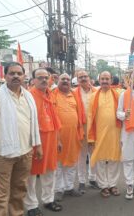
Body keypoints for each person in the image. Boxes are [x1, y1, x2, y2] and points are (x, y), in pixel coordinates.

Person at [0, 62, 43, 216]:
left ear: (24, 76)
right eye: (12, 73)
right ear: (5, 76)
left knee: (19, 192)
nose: (15, 76)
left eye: (19, 73)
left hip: (25, 152)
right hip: (2, 154)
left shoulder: (28, 96)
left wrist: (38, 146)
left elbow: (33, 123)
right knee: (1, 195)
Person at [25, 68, 63, 215]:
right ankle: (31, 205)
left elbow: (55, 119)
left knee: (50, 171)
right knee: (31, 175)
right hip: (34, 141)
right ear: (33, 80)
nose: (43, 80)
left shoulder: (51, 94)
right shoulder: (28, 96)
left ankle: (48, 199)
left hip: (51, 139)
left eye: (46, 77)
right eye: (39, 77)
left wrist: (58, 140)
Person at [88, 71, 122, 198]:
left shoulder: (118, 94)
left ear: (111, 80)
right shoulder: (94, 96)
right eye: (102, 79)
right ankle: (103, 186)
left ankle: (112, 184)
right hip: (99, 133)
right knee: (100, 160)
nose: (104, 81)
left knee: (114, 159)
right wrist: (90, 136)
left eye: (107, 79)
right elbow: (90, 116)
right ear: (99, 80)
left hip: (115, 133)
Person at [52, 73, 84, 201]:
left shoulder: (74, 95)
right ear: (57, 81)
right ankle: (59, 190)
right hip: (57, 137)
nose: (65, 81)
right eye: (62, 79)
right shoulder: (52, 94)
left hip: (72, 136)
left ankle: (69, 187)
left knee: (71, 163)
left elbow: (80, 114)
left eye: (67, 79)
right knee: (58, 165)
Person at [116, 72, 134, 200]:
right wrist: (124, 115)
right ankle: (129, 184)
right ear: (130, 80)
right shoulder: (124, 94)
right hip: (128, 131)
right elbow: (118, 113)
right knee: (128, 158)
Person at [74, 71, 99, 193]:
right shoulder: (74, 93)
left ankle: (93, 179)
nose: (83, 78)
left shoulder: (96, 92)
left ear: (89, 78)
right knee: (82, 156)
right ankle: (82, 181)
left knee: (94, 155)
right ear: (77, 79)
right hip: (81, 128)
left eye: (85, 76)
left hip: (94, 128)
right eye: (81, 77)